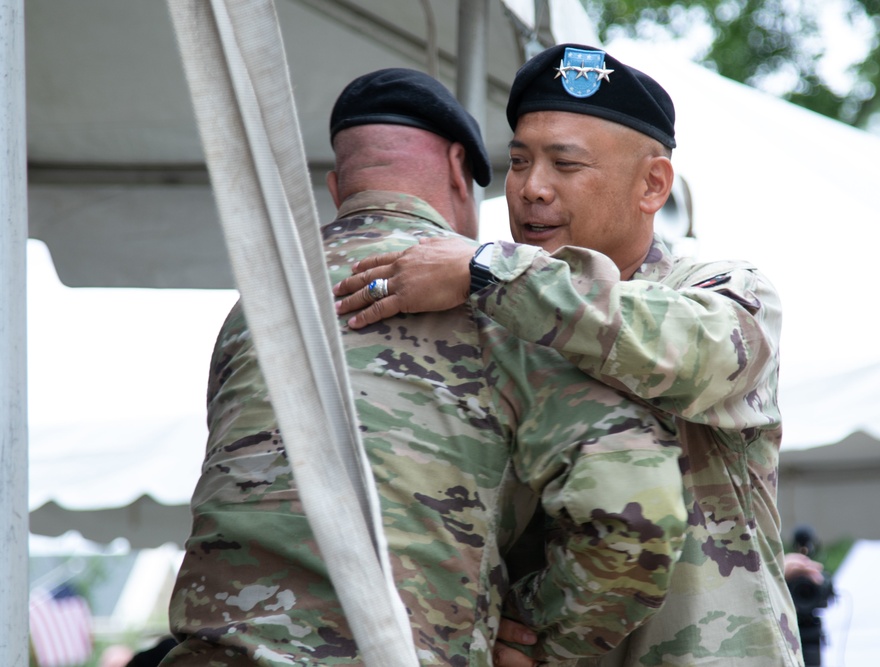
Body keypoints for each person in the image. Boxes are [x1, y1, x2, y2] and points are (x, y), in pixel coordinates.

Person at [160, 67, 688, 666]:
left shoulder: (254, 306)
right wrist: (536, 635)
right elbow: (635, 511)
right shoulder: (506, 303)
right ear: (460, 175)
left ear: (339, 188)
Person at [334, 44, 801, 666]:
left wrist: (486, 270)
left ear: (652, 184)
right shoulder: (495, 314)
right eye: (519, 162)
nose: (531, 190)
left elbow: (695, 352)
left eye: (566, 164)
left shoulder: (725, 290)